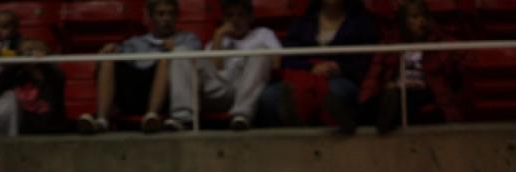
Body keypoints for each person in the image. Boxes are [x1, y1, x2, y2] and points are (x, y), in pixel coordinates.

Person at [77, 0, 201, 134]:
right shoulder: (136, 42)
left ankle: (152, 117)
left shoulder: (188, 39)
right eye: (161, 14)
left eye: (171, 14)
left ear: (177, 17)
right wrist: (109, 50)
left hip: (168, 96)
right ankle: (102, 121)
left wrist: (175, 49)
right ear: (151, 17)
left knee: (165, 58)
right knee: (108, 58)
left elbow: (197, 69)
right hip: (135, 92)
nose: (166, 19)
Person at [258, 0, 377, 133]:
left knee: (335, 91)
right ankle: (293, 133)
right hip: (303, 76)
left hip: (342, 78)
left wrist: (340, 68)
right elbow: (287, 57)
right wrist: (311, 67)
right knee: (270, 96)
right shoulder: (302, 22)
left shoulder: (362, 22)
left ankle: (338, 136)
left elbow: (367, 60)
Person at [358, 0, 464, 134]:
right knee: (372, 104)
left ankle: (383, 119)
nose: (421, 21)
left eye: (424, 16)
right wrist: (364, 100)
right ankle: (359, 116)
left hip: (427, 91)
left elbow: (458, 72)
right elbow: (373, 76)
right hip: (396, 90)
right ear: (403, 21)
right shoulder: (390, 44)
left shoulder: (441, 43)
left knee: (407, 101)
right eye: (415, 17)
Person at [199, 0, 281, 131]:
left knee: (260, 51)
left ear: (250, 17)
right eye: (230, 16)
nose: (235, 20)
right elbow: (213, 72)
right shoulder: (216, 41)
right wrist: (218, 36)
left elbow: (276, 64)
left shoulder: (263, 34)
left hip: (249, 87)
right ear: (224, 19)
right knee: (190, 56)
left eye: (241, 15)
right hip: (221, 91)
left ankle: (241, 115)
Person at [0, 39, 67, 136]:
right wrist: (17, 63)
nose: (29, 54)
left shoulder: (52, 74)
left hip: (51, 130)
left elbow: (59, 79)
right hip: (25, 130)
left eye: (32, 50)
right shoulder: (17, 74)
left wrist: (43, 62)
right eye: (24, 52)